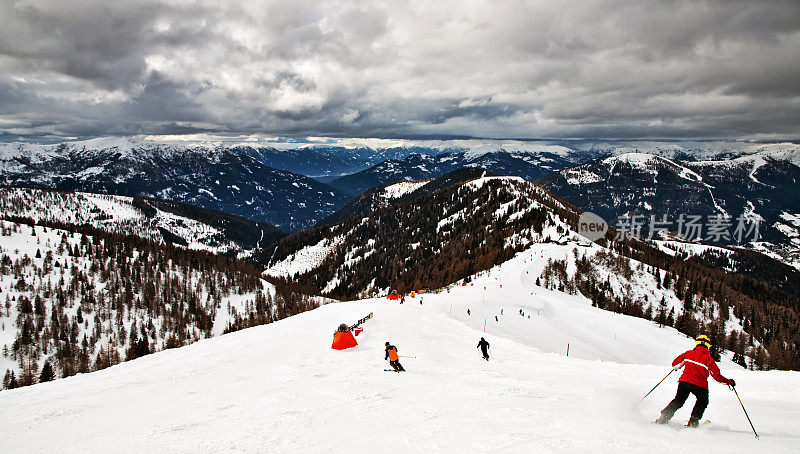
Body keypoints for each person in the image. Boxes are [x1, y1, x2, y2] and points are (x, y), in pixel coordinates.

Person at [655, 335, 735, 427]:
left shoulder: (688, 354)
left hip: (684, 382)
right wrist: (729, 382)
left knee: (679, 400)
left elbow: (675, 364)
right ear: (708, 345)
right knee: (702, 401)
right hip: (700, 385)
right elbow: (717, 377)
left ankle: (664, 417)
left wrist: (679, 367)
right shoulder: (709, 359)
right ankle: (693, 421)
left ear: (697, 343)